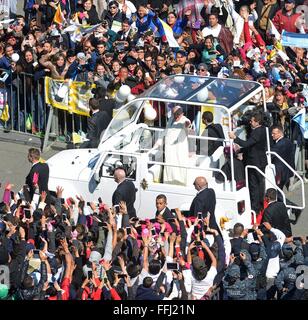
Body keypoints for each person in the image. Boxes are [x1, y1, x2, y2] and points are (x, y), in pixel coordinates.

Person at [228, 111, 267, 214]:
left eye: (252, 121)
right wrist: (240, 151)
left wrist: (235, 138)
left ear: (257, 122)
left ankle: (255, 208)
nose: (250, 122)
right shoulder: (262, 130)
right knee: (258, 185)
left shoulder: (257, 132)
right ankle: (258, 206)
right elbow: (251, 146)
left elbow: (247, 144)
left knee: (254, 185)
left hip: (255, 163)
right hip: (258, 161)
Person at [156, 106, 191, 186]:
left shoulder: (184, 119)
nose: (176, 115)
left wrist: (187, 125)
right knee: (169, 164)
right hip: (169, 149)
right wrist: (159, 140)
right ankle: (168, 181)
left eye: (178, 114)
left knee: (179, 164)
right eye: (174, 113)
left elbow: (188, 125)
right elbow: (166, 130)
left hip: (179, 149)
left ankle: (180, 182)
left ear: (182, 113)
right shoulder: (171, 119)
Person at [271, 125, 295, 192]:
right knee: (279, 190)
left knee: (278, 191)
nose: (272, 135)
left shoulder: (279, 145)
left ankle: (280, 202)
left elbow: (271, 155)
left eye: (274, 133)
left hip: (280, 172)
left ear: (280, 133)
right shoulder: (288, 141)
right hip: (286, 171)